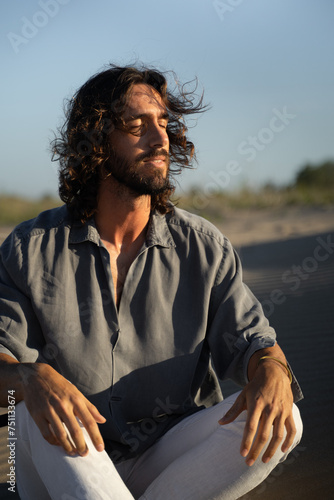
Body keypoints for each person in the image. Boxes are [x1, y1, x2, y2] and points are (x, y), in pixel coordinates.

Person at [0, 64, 303, 500]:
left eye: (163, 124)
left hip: (169, 457)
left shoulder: (203, 247)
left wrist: (272, 370)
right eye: (136, 126)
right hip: (66, 457)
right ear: (97, 141)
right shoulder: (30, 248)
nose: (159, 139)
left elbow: (254, 340)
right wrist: (29, 377)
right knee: (30, 400)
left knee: (284, 414)